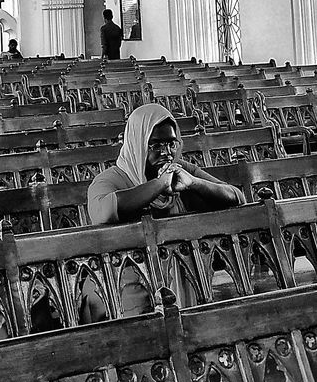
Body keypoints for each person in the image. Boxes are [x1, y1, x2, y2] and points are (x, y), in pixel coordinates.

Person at [84, 105, 245, 318]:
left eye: (171, 143)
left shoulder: (181, 170)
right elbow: (102, 213)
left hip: (177, 274)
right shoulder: (111, 179)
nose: (166, 152)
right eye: (155, 145)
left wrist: (194, 183)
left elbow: (236, 197)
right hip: (123, 282)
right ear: (137, 144)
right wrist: (159, 185)